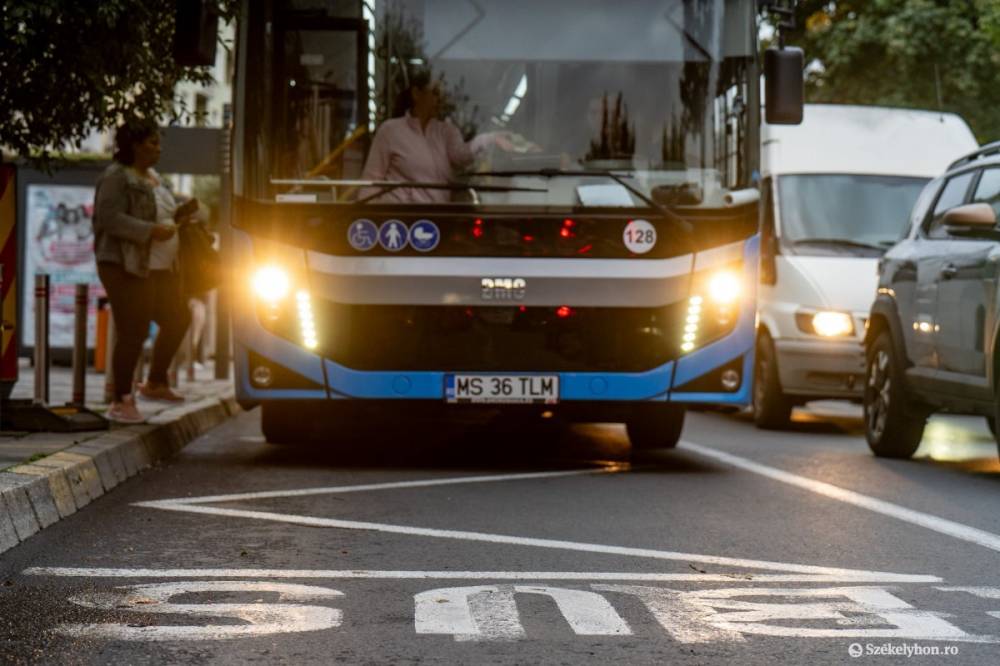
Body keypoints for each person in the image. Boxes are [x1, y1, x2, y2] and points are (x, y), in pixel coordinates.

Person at [93, 119, 196, 423]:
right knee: (133, 331)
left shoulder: (154, 177)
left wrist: (181, 215)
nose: (158, 148)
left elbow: (161, 212)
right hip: (126, 265)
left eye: (158, 143)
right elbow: (108, 218)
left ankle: (155, 382)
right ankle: (121, 400)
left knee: (179, 316)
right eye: (152, 142)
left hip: (159, 267)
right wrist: (149, 231)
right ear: (134, 144)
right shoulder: (116, 176)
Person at [360, 69, 513, 203]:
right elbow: (371, 180)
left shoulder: (447, 131)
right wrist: (367, 218)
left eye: (442, 94)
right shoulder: (390, 130)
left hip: (437, 218)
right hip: (399, 222)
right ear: (416, 94)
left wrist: (488, 138)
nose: (440, 99)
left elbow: (461, 156)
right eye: (434, 93)